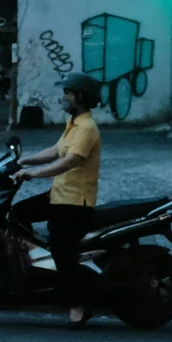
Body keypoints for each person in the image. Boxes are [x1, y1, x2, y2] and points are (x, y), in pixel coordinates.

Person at [13, 72, 103, 325]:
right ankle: (33, 265)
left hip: (74, 202)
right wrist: (23, 161)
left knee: (62, 252)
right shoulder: (73, 123)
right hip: (58, 195)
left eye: (68, 93)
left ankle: (78, 306)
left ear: (81, 97)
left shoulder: (87, 128)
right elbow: (55, 151)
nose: (64, 97)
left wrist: (33, 173)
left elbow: (69, 161)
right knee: (18, 213)